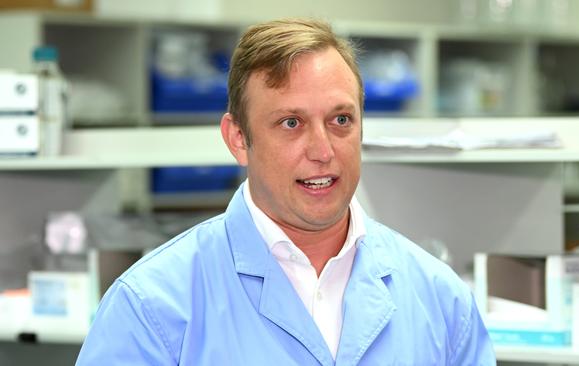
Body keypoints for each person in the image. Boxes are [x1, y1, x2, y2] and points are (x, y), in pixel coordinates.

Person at [76, 18, 495, 365]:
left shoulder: (442, 301)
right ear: (239, 139)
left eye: (341, 120)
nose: (323, 151)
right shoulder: (152, 306)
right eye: (291, 123)